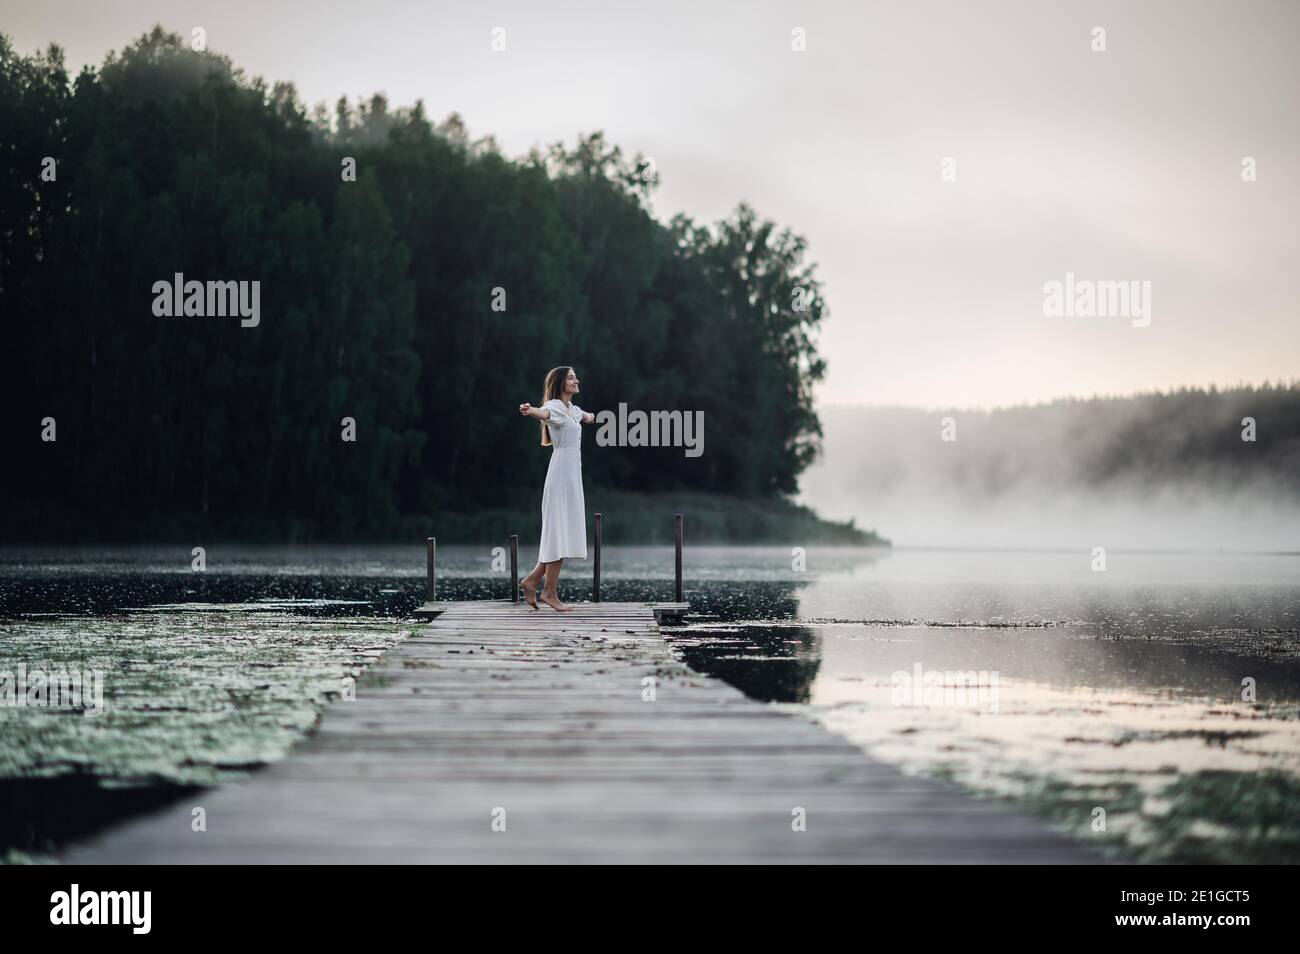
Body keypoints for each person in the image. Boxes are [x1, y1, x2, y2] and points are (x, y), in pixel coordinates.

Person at [517, 366, 594, 611]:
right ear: (560, 382)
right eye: (571, 377)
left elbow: (585, 416)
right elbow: (544, 413)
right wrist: (530, 411)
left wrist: (594, 417)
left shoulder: (572, 410)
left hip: (572, 476)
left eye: (575, 376)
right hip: (560, 475)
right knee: (558, 532)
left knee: (563, 532)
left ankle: (532, 582)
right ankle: (549, 592)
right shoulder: (555, 407)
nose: (576, 380)